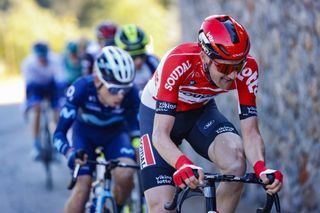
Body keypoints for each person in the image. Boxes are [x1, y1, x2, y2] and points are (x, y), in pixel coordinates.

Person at [138, 15, 283, 213]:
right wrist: (183, 164)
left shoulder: (247, 69)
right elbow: (160, 134)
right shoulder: (178, 62)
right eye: (224, 66)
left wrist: (260, 168)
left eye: (238, 65)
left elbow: (251, 132)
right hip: (157, 116)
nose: (233, 74)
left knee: (236, 163)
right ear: (204, 56)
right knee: (162, 208)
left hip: (200, 111)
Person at [53, 46, 140, 213]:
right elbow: (58, 134)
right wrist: (69, 153)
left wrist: (138, 147)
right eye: (114, 89)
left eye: (125, 89)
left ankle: (117, 209)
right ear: (98, 81)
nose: (121, 96)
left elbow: (136, 130)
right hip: (85, 136)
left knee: (126, 175)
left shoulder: (132, 93)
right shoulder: (81, 88)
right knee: (82, 188)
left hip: (115, 136)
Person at [21, 41, 65, 160]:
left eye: (44, 57)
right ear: (35, 56)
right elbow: (28, 87)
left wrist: (60, 104)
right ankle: (36, 144)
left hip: (53, 85)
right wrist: (27, 104)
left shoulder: (56, 60)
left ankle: (57, 140)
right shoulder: (28, 63)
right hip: (36, 87)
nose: (42, 60)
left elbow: (60, 83)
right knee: (36, 108)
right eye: (39, 57)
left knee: (58, 110)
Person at [115, 24, 159, 93]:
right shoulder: (115, 68)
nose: (138, 61)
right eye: (133, 57)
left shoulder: (153, 62)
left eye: (141, 55)